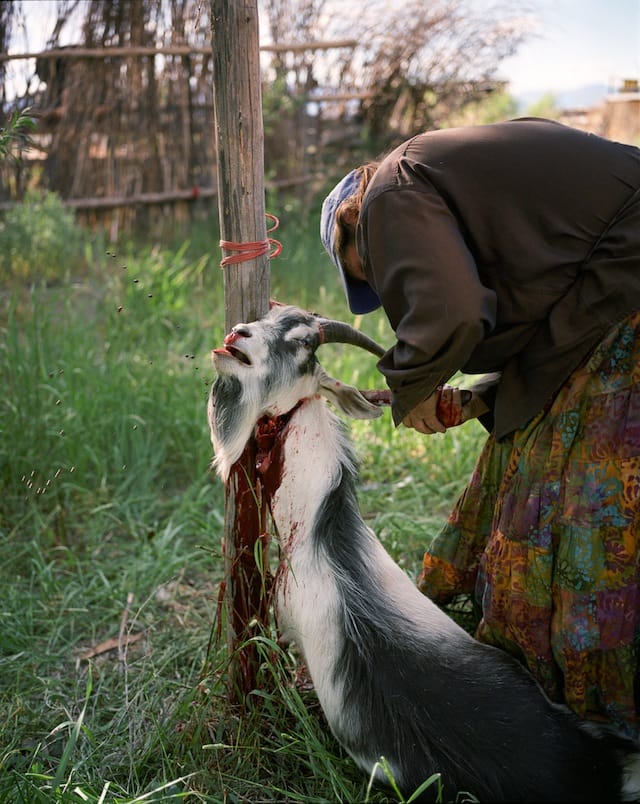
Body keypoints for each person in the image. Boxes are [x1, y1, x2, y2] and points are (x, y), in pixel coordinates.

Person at [320, 117, 640, 737]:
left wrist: (410, 389)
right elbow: (551, 316)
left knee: (586, 504)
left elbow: (454, 311)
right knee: (535, 455)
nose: (381, 294)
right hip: (616, 285)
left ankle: (598, 705)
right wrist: (474, 403)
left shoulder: (390, 189)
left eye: (368, 275)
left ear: (349, 226)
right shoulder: (450, 179)